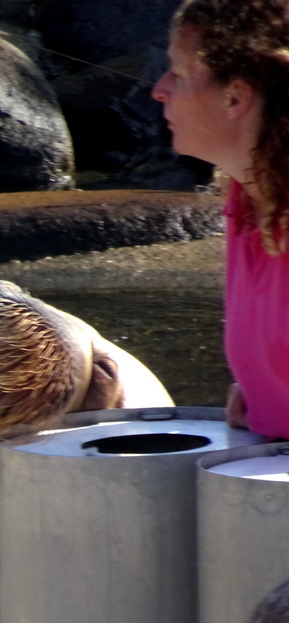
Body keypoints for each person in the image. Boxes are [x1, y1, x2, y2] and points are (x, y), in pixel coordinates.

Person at [152, 0, 289, 440]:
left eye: (178, 73)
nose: (159, 89)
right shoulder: (247, 202)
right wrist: (265, 393)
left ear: (235, 97)